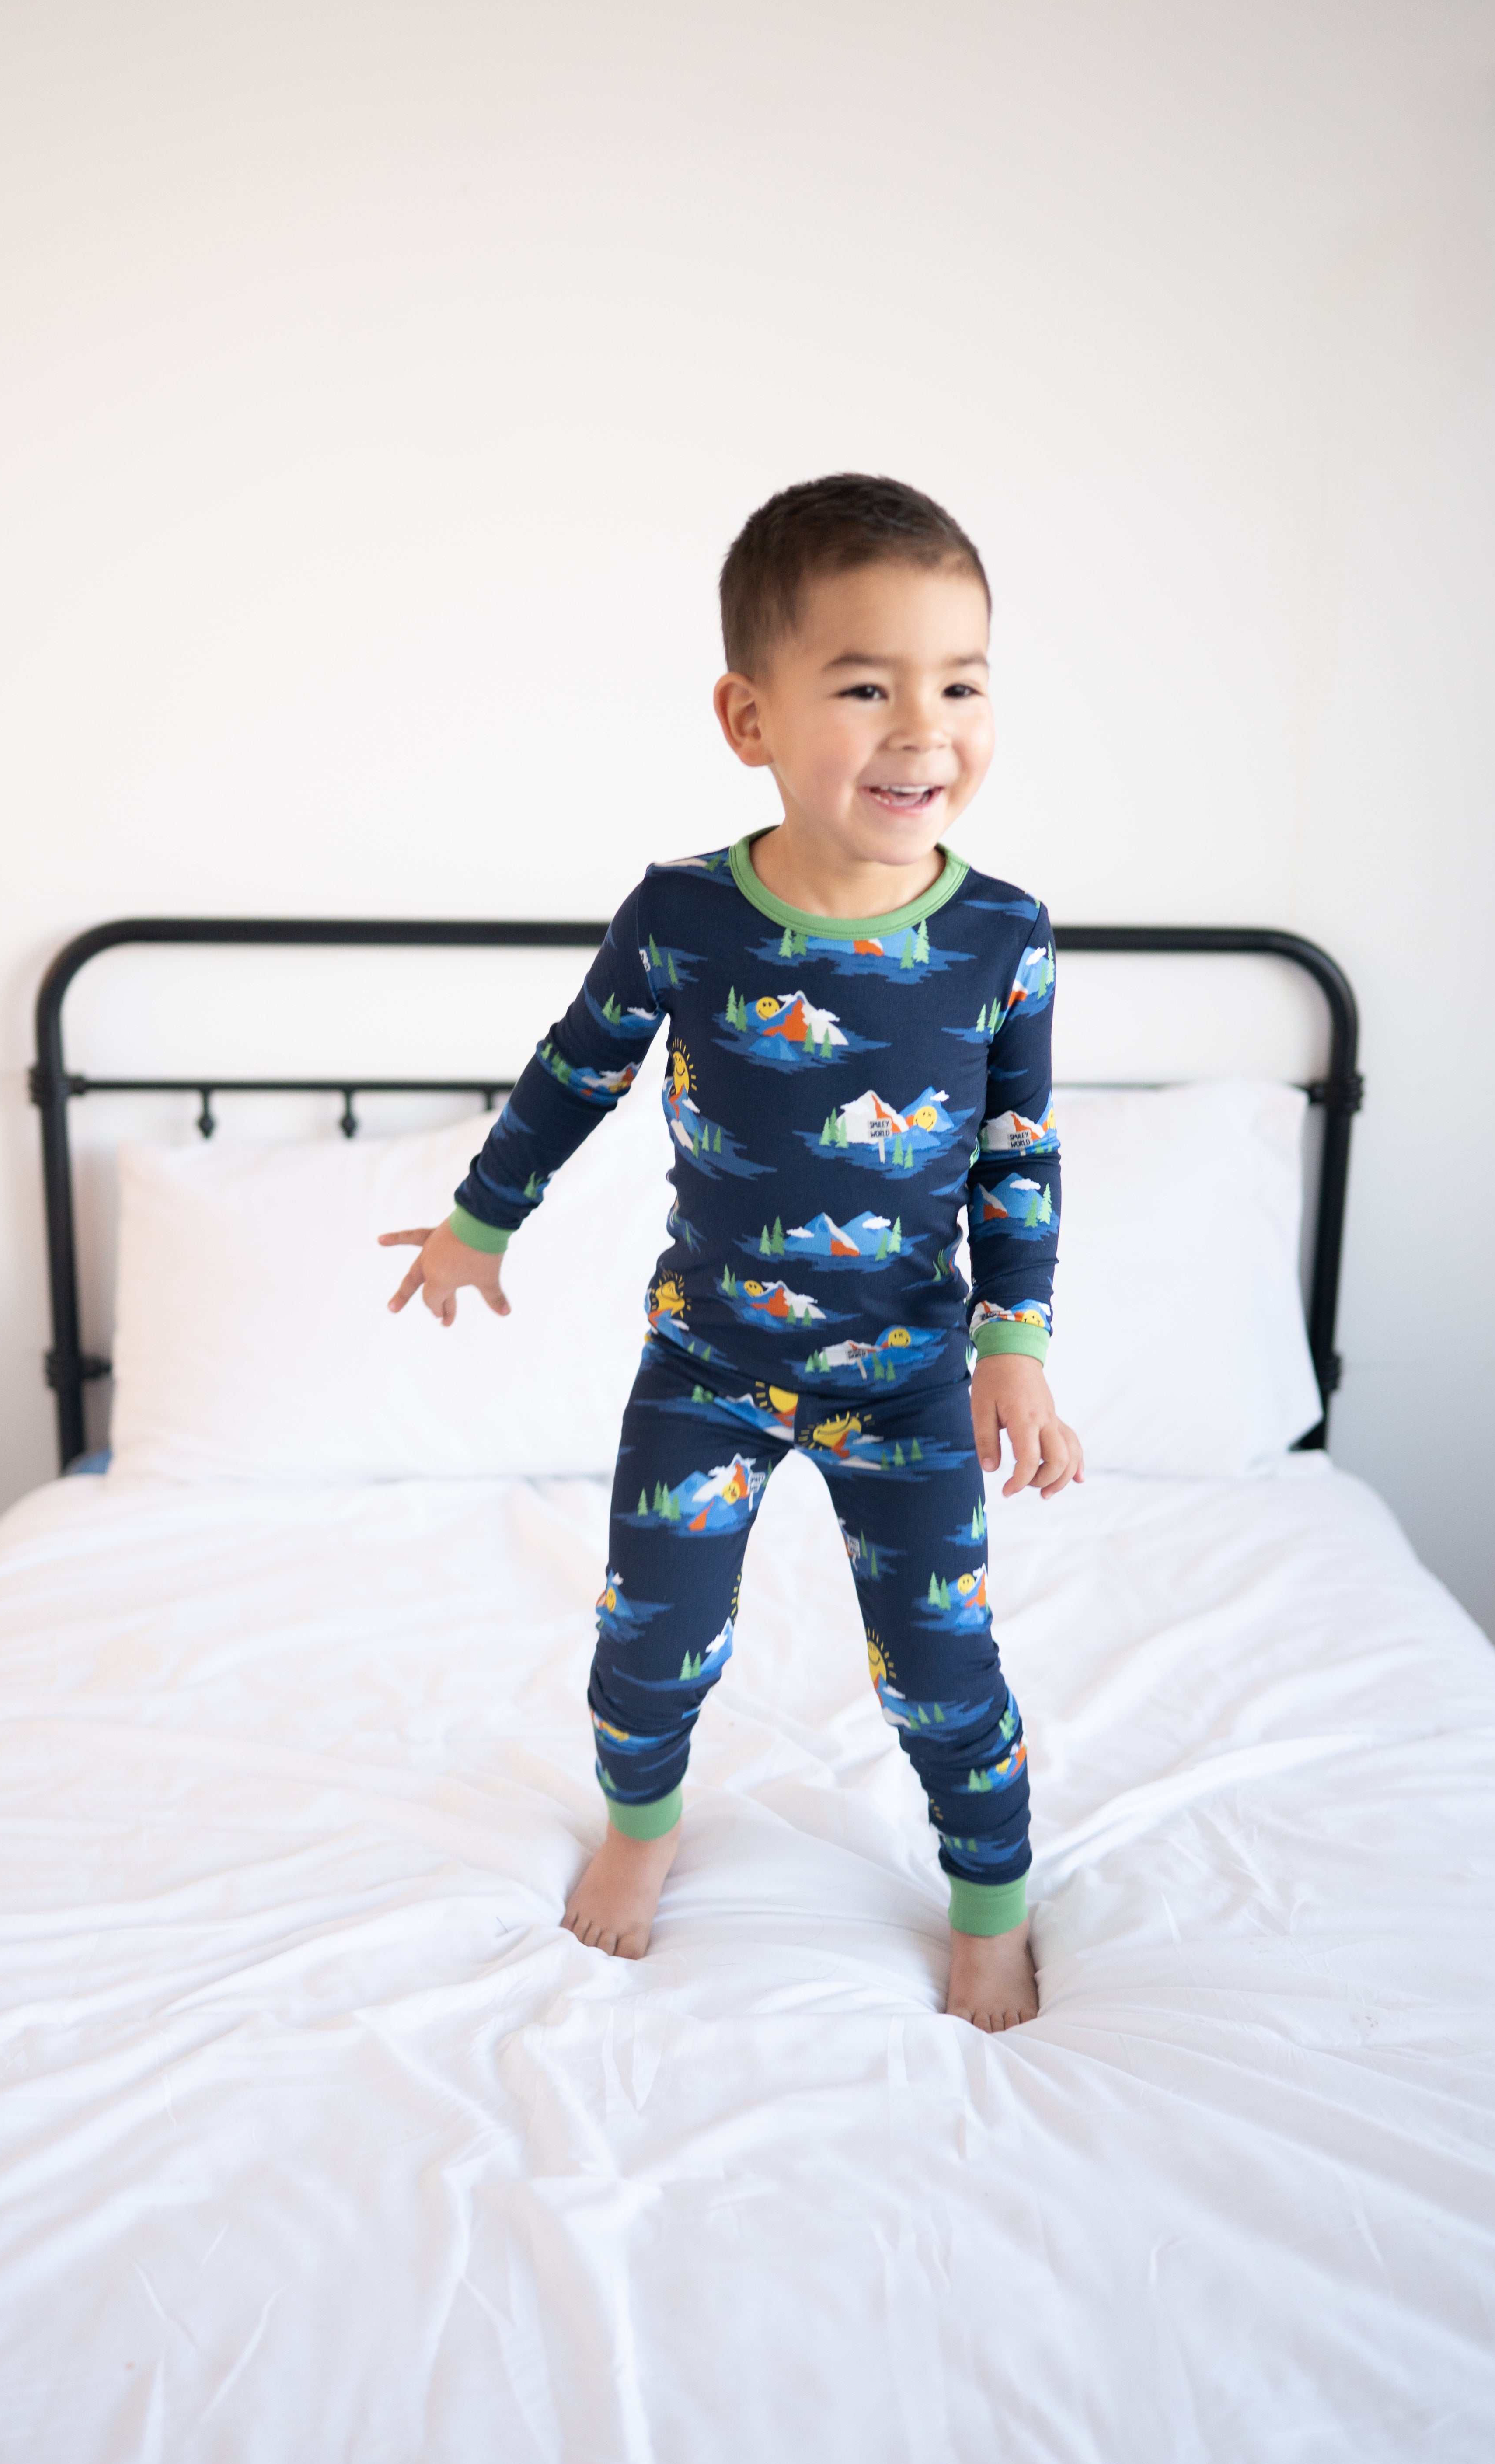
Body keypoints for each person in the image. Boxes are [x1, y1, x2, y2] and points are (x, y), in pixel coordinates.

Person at [381, 474, 1083, 2031]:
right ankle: (644, 1830)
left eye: (961, 683)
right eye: (865, 685)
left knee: (943, 1667)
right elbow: (579, 1066)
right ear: (748, 716)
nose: (925, 727)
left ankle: (990, 1901)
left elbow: (1018, 1152)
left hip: (908, 1382)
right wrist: (481, 1219)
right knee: (651, 1639)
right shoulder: (688, 916)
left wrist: (1013, 1347)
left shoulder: (1004, 937)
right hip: (709, 1366)